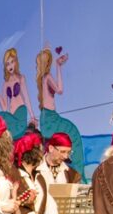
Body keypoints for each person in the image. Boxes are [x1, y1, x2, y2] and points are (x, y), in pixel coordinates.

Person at [35, 48, 85, 179]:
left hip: (48, 116)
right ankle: (77, 172)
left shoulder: (42, 79)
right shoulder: (47, 77)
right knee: (71, 131)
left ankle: (73, 170)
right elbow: (60, 90)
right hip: (50, 118)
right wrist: (58, 66)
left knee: (69, 132)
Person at [0, 48, 37, 139]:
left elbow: (26, 98)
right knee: (0, 116)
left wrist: (32, 116)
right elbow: (4, 108)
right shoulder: (5, 83)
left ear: (15, 62)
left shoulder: (21, 78)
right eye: (7, 64)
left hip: (20, 114)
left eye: (12, 62)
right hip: (12, 116)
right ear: (5, 67)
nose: (10, 66)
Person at [15, 131, 59, 214]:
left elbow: (49, 204)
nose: (42, 155)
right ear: (35, 154)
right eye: (41, 151)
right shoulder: (15, 175)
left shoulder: (39, 177)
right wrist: (23, 201)